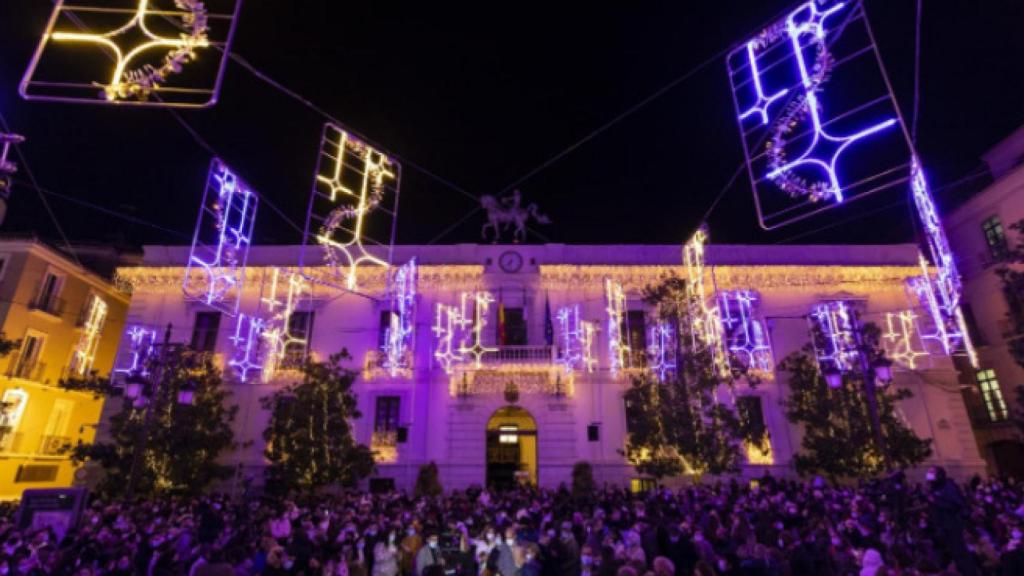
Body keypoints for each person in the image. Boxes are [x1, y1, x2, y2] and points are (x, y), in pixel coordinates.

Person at [927, 465, 978, 576]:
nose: (929, 474)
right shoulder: (935, 488)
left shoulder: (948, 486)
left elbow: (957, 504)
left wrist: (937, 500)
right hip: (944, 525)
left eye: (932, 472)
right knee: (954, 553)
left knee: (961, 553)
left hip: (953, 525)